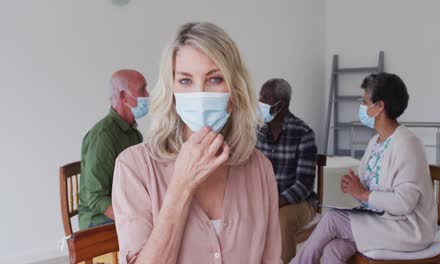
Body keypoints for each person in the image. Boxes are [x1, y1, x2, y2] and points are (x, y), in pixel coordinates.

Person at [112, 22, 282, 264]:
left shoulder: (260, 169)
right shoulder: (134, 167)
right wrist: (182, 184)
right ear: (171, 90)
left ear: (234, 90)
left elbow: (271, 259)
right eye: (185, 81)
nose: (200, 94)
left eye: (214, 79)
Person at [291, 72, 437, 264]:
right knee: (333, 248)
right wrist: (355, 187)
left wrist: (362, 194)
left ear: (380, 106)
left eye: (365, 102)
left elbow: (404, 203)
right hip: (380, 221)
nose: (362, 108)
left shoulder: (408, 144)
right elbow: (367, 192)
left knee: (332, 219)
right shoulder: (374, 142)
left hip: (407, 229)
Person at [78, 69, 149, 229]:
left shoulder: (134, 135)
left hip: (124, 210)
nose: (148, 95)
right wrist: (133, 219)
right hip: (97, 220)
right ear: (123, 96)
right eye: (142, 89)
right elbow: (97, 199)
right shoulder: (103, 136)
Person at [256, 78, 318, 263]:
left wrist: (274, 202)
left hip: (299, 203)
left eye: (265, 97)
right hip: (264, 201)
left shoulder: (303, 133)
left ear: (280, 105)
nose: (259, 101)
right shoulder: (255, 131)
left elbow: (304, 185)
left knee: (280, 219)